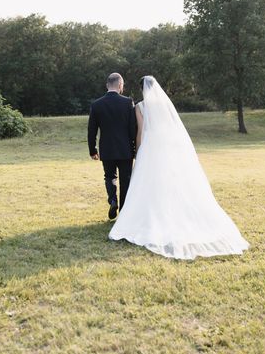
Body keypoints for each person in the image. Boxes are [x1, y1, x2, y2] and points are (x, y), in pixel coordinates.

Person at [108, 75, 249, 260]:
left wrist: (138, 150)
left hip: (151, 147)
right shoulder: (164, 105)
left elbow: (141, 131)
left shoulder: (140, 107)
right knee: (169, 180)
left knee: (149, 182)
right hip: (167, 147)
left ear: (143, 89)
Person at [87, 72, 137, 220]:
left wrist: (92, 150)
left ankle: (112, 200)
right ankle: (124, 212)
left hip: (106, 149)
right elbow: (132, 128)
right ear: (120, 85)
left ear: (107, 85)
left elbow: (92, 130)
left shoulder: (96, 105)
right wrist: (134, 147)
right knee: (125, 179)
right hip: (125, 149)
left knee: (109, 176)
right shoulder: (127, 102)